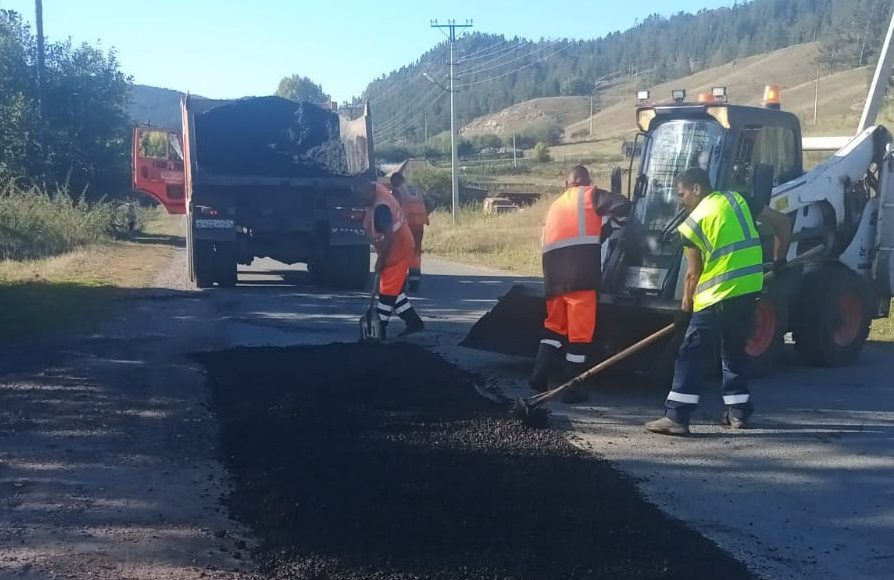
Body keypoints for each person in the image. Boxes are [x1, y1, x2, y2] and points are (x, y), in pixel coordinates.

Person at [645, 167, 791, 435]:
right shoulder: (739, 200)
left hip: (716, 298)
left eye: (682, 194)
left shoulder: (691, 224)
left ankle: (677, 417)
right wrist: (780, 261)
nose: (681, 201)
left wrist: (684, 311)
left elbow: (693, 274)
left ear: (697, 188)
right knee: (734, 352)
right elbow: (782, 222)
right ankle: (739, 413)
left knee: (689, 354)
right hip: (748, 293)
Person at [529, 165, 631, 404]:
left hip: (554, 280)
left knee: (554, 327)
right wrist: (618, 225)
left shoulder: (555, 205)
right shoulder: (590, 195)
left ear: (567, 184)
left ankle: (538, 374)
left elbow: (576, 233)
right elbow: (624, 206)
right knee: (580, 335)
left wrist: (602, 231)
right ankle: (572, 388)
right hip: (581, 278)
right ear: (586, 181)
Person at [356, 180, 425, 339]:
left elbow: (389, 236)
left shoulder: (381, 208)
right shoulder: (376, 188)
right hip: (401, 243)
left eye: (362, 198)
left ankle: (380, 327)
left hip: (397, 249)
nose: (361, 202)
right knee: (396, 292)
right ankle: (414, 322)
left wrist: (382, 258)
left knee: (387, 291)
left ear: (369, 190)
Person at [389, 172, 430, 291]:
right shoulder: (416, 189)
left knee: (401, 252)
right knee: (415, 252)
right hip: (419, 225)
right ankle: (414, 281)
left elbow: (393, 208)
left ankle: (400, 282)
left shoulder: (396, 192)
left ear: (395, 181)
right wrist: (424, 215)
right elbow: (431, 202)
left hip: (405, 226)